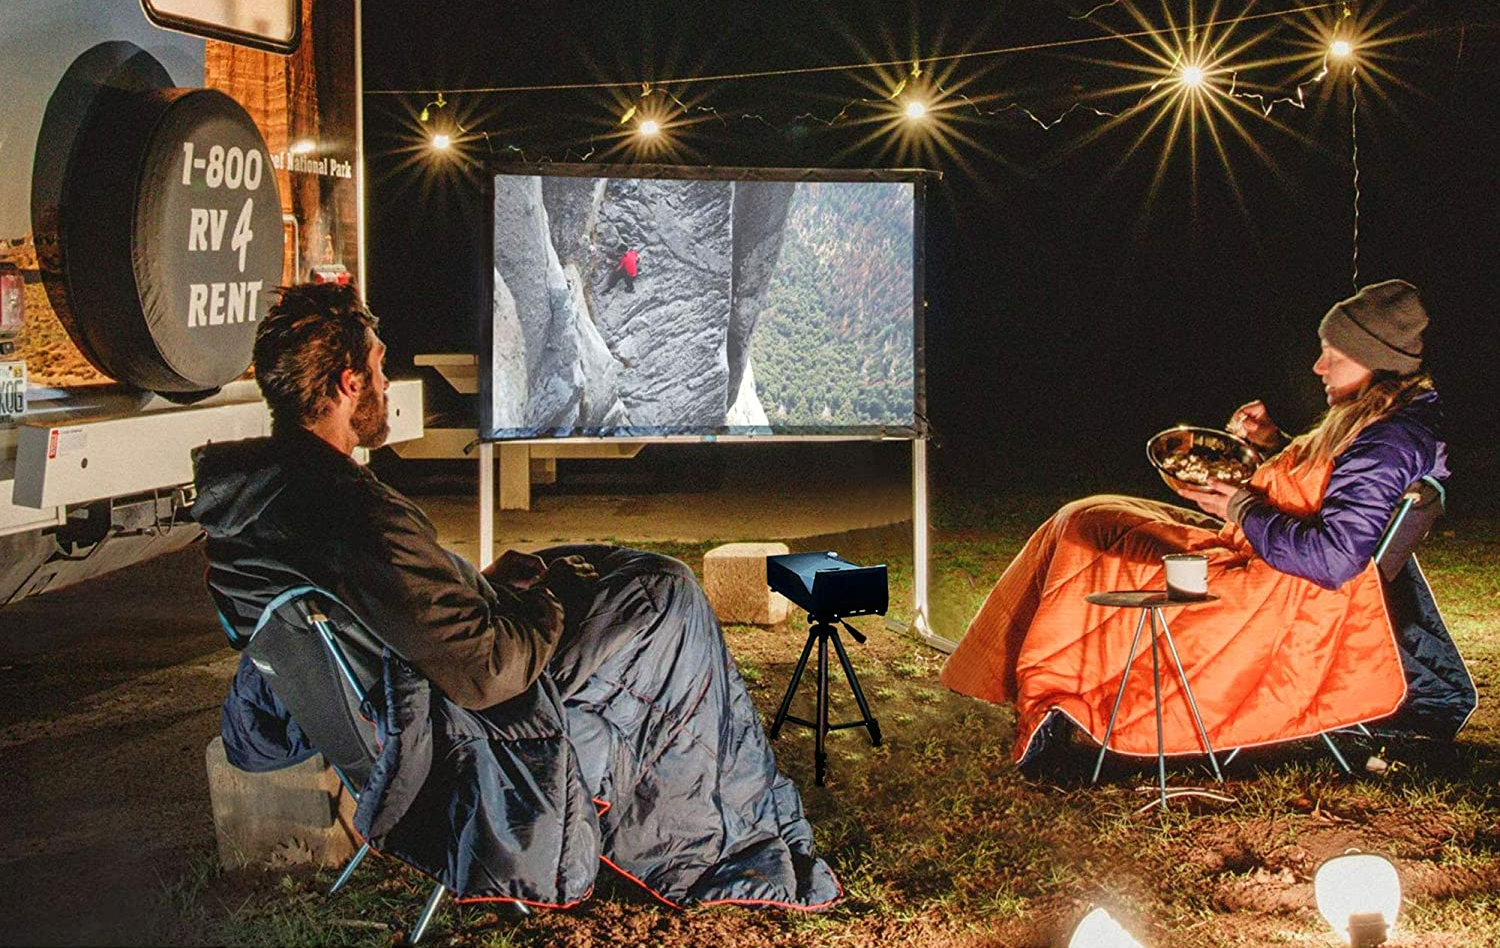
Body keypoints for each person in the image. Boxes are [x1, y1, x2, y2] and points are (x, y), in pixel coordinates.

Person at [193, 283, 839, 909]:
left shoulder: (253, 511)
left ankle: (705, 812)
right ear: (348, 383)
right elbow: (493, 672)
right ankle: (722, 839)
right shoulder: (355, 517)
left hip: (381, 732)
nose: (388, 386)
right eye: (380, 368)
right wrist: (537, 601)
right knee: (669, 598)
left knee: (621, 574)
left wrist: (492, 585)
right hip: (467, 746)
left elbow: (405, 617)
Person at [940, 279, 1474, 774]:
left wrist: (1239, 506)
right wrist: (1270, 445)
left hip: (1281, 594)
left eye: (1333, 356)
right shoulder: (1375, 419)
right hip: (1261, 555)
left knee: (1092, 536)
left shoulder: (1389, 441)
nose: (1318, 367)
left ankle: (1060, 698)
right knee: (1090, 517)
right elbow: (1330, 487)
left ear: (1374, 362)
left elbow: (1334, 558)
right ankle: (1033, 683)